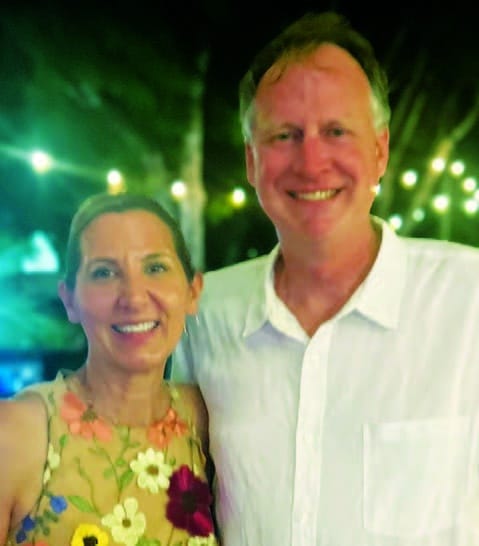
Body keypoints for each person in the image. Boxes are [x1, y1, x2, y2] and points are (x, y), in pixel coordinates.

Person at [171, 10, 479, 546]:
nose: (311, 162)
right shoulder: (205, 315)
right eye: (284, 135)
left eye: (336, 131)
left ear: (379, 150)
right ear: (251, 161)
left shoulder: (468, 299)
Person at [0, 192, 219, 546]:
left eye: (155, 268)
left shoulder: (207, 423)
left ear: (193, 290)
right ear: (70, 300)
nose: (133, 297)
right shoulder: (18, 434)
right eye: (104, 273)